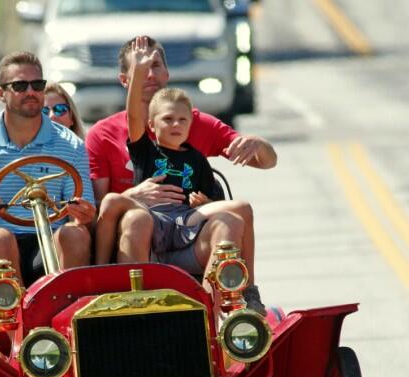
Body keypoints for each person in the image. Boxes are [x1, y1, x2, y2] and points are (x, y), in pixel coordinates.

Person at [86, 35, 277, 313]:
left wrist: (259, 144)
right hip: (139, 228)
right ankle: (119, 293)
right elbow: (99, 205)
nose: (149, 74)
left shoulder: (196, 127)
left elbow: (265, 162)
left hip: (185, 225)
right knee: (134, 217)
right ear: (126, 79)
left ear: (167, 73)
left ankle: (219, 306)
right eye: (141, 68)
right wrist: (133, 195)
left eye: (155, 66)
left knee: (234, 218)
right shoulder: (116, 136)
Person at [0, 51, 96, 287]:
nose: (31, 92)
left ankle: (65, 314)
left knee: (74, 236)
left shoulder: (70, 145)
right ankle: (10, 316)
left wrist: (83, 215)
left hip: (50, 241)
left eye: (37, 84)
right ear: (1, 94)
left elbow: (83, 214)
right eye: (20, 86)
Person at [95, 38, 224, 281]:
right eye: (167, 120)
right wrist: (140, 72)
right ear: (152, 125)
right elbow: (133, 116)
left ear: (191, 122)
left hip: (185, 227)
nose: (175, 125)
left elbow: (213, 198)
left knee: (237, 212)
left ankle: (225, 295)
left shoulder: (196, 158)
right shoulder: (145, 150)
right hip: (149, 220)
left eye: (182, 120)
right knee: (129, 213)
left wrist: (204, 203)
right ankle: (99, 272)